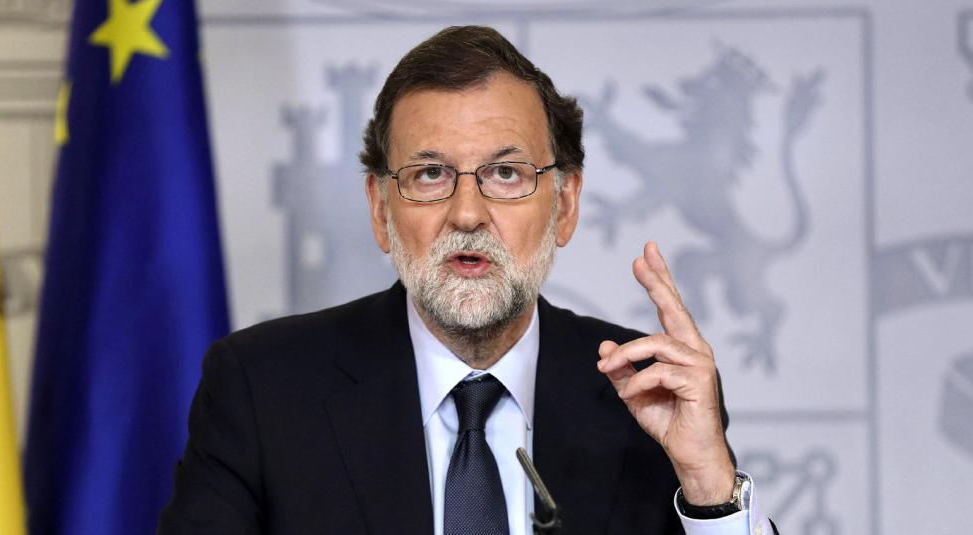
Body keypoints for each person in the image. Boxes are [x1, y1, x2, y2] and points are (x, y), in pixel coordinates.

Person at [160, 26, 779, 534]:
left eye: (506, 174)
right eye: (430, 174)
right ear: (380, 208)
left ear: (565, 205)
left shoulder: (647, 397)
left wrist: (710, 488)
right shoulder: (263, 389)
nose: (466, 214)